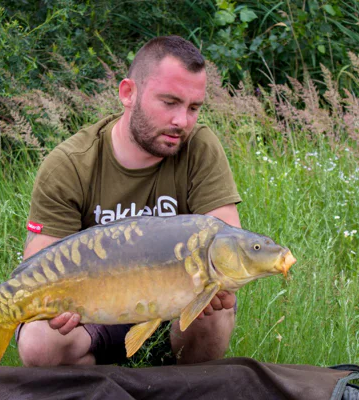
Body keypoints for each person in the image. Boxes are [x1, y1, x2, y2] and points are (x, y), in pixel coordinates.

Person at [17, 35, 242, 367]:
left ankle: (185, 384)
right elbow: (37, 267)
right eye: (169, 102)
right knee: (40, 341)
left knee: (215, 311)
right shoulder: (70, 164)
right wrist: (55, 306)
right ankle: (102, 381)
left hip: (177, 311)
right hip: (97, 312)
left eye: (193, 108)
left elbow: (229, 243)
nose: (182, 121)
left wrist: (218, 283)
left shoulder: (200, 147)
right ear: (128, 93)